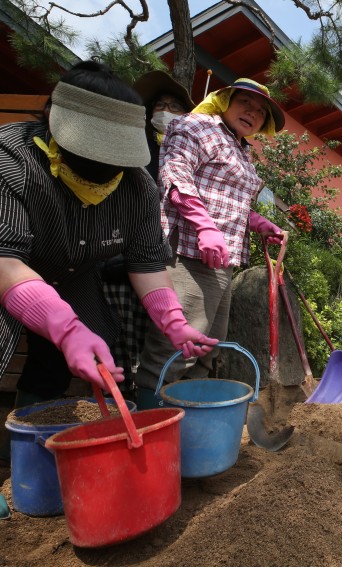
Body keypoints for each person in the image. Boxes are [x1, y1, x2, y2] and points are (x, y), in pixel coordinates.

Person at [0, 60, 217, 410]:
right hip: (12, 270)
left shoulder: (138, 188)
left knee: (53, 364)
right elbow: (4, 260)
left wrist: (174, 321)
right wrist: (68, 329)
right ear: (52, 120)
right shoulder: (11, 158)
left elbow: (146, 263)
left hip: (71, 279)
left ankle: (27, 443)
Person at [134, 78, 287, 408]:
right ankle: (148, 425)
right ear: (225, 99)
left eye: (261, 112)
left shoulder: (240, 148)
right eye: (246, 102)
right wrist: (204, 227)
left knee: (206, 350)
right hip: (186, 254)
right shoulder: (197, 126)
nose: (253, 113)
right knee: (173, 350)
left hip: (221, 262)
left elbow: (230, 204)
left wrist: (261, 224)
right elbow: (175, 174)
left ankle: (190, 427)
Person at [99, 71, 196, 387]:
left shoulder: (191, 154)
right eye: (160, 105)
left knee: (153, 332)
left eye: (175, 105)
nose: (166, 111)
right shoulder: (132, 147)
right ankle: (116, 394)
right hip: (118, 249)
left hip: (163, 260)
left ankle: (143, 395)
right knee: (114, 331)